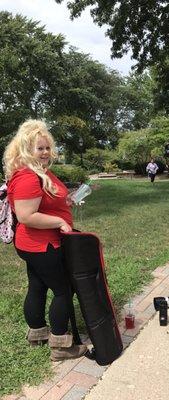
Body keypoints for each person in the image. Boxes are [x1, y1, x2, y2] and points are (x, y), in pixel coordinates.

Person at [3, 119, 87, 361]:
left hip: (33, 244)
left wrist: (65, 201)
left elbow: (46, 201)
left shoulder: (38, 173)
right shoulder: (28, 176)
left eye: (47, 147)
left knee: (37, 286)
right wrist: (59, 222)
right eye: (39, 148)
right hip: (42, 244)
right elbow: (27, 216)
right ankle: (60, 346)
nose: (45, 152)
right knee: (63, 290)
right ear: (25, 149)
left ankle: (38, 334)